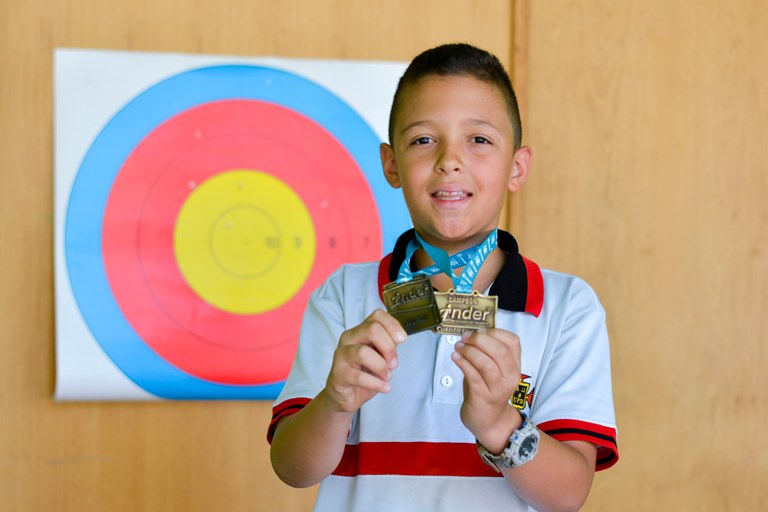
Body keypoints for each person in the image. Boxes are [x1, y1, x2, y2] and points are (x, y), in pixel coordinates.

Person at [268, 42, 618, 512]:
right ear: (391, 165)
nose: (449, 160)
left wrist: (499, 423)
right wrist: (334, 402)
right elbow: (292, 469)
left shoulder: (566, 306)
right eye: (423, 140)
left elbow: (570, 494)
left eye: (479, 139)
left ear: (517, 167)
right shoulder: (345, 295)